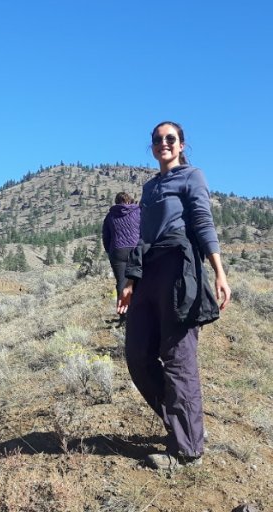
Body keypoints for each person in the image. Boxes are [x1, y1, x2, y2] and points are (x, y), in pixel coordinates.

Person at [117, 121, 231, 471]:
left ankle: (187, 451)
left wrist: (219, 270)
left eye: (170, 139)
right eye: (157, 139)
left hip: (180, 269)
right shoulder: (149, 187)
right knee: (137, 355)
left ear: (181, 145)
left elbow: (202, 222)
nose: (163, 143)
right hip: (149, 270)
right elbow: (141, 238)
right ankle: (183, 425)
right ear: (152, 146)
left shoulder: (191, 177)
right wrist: (130, 280)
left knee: (178, 358)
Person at [102, 192, 141, 324]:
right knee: (139, 280)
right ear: (129, 200)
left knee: (122, 282)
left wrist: (110, 251)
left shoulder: (110, 216)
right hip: (136, 249)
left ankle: (124, 316)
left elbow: (106, 236)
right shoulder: (138, 212)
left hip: (118, 251)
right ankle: (140, 313)